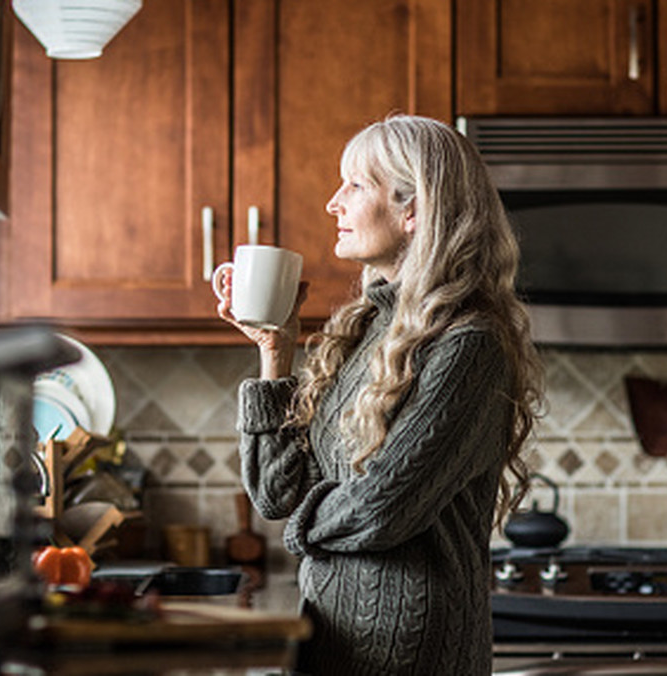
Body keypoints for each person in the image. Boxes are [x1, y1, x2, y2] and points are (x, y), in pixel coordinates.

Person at [215, 114, 543, 675]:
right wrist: (277, 349)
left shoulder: (470, 344)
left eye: (355, 184)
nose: (332, 203)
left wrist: (301, 529)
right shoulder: (365, 331)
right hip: (332, 640)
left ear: (413, 211)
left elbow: (383, 508)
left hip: (411, 652)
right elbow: (275, 494)